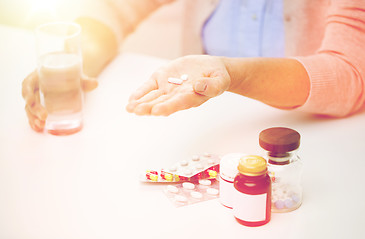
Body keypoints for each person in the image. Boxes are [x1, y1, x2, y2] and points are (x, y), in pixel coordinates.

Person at [22, 0, 365, 132]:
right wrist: (77, 60)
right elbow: (115, 7)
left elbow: (350, 72)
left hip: (307, 132)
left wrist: (231, 73)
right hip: (202, 125)